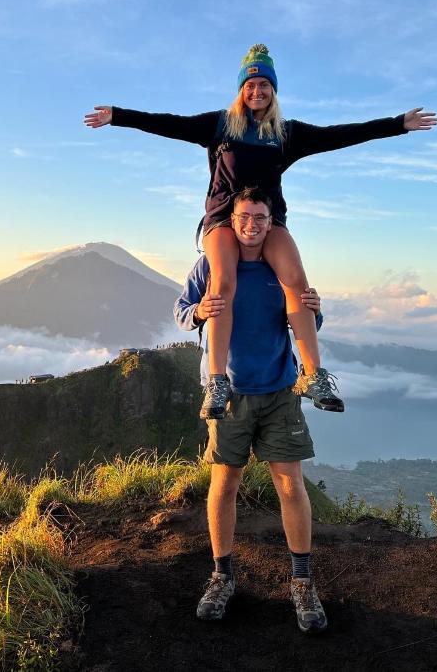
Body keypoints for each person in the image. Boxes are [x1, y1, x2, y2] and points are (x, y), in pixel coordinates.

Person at [84, 43, 437, 420]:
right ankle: (218, 382)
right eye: (250, 85)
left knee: (297, 283)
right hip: (223, 219)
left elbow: (341, 135)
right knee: (222, 283)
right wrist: (118, 116)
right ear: (241, 90)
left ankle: (314, 376)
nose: (257, 92)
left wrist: (399, 124)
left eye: (264, 85)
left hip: (269, 221)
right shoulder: (220, 125)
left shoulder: (287, 133)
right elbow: (169, 123)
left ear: (273, 91)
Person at [173, 186, 328, 632]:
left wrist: (315, 311)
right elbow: (181, 310)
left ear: (270, 222)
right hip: (232, 394)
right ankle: (222, 575)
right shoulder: (210, 264)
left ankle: (301, 582)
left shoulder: (281, 265)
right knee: (224, 484)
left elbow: (303, 320)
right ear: (232, 219)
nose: (251, 225)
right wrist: (198, 311)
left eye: (260, 218)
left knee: (290, 485)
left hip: (279, 390)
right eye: (244, 217)